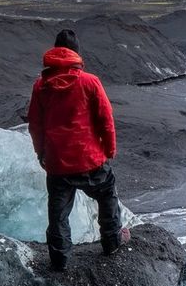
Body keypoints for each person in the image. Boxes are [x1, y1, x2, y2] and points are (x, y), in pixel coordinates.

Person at [28, 28, 129, 270]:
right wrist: (110, 150)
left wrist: (41, 153)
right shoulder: (90, 82)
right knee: (106, 195)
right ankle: (112, 241)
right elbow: (106, 119)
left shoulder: (41, 86)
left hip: (58, 163)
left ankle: (60, 258)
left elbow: (35, 124)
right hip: (90, 159)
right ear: (76, 53)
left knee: (58, 212)